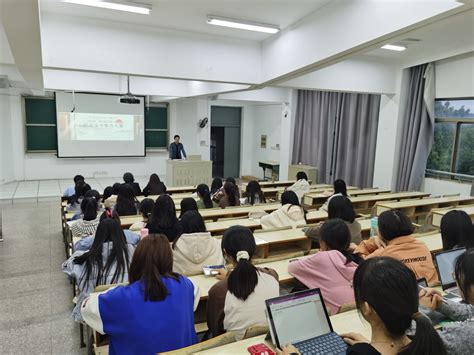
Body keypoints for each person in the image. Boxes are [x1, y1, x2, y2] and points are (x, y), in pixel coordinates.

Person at [81, 234, 199, 354]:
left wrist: (112, 290)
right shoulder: (186, 285)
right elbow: (193, 303)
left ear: (137, 259)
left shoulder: (121, 297)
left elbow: (86, 308)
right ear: (169, 259)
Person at [206, 226, 279, 340]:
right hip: (268, 341)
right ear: (253, 250)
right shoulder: (272, 276)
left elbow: (214, 328)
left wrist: (229, 275)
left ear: (225, 253)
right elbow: (258, 272)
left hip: (234, 347)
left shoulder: (219, 290)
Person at [62, 218, 134, 322]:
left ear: (98, 236)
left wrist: (83, 251)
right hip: (126, 308)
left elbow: (66, 267)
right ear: (120, 234)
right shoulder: (131, 251)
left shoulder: (86, 259)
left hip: (96, 315)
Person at [288, 219, 362, 315]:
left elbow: (292, 267)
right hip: (356, 313)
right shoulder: (356, 259)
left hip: (333, 317)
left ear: (322, 242)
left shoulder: (322, 258)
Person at [354, 209, 438, 284]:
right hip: (433, 292)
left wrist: (373, 241)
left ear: (381, 232)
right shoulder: (422, 245)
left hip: (408, 298)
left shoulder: (383, 254)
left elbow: (360, 262)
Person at [419, 249, 474, 354]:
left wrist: (420, 312)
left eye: (456, 276)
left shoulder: (463, 334)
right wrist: (441, 304)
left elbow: (421, 342)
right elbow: (470, 311)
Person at [172, 211, 225, 275]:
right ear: (202, 225)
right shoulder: (219, 244)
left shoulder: (172, 249)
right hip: (215, 283)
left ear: (181, 227)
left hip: (184, 284)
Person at [75, 209, 140, 251]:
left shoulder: (94, 239)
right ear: (119, 223)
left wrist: (94, 236)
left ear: (101, 225)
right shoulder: (129, 234)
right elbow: (139, 241)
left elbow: (77, 247)